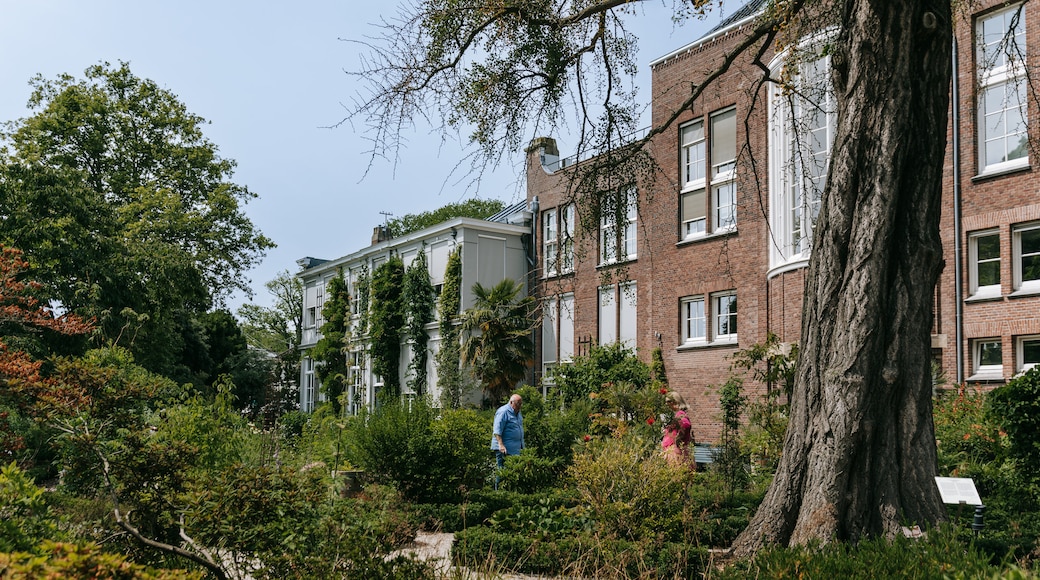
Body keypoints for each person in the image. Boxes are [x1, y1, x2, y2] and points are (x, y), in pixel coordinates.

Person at [490, 393, 524, 488]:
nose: (520, 406)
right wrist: (501, 445)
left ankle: (511, 492)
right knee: (502, 471)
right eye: (518, 404)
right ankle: (498, 492)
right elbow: (497, 430)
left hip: (515, 449)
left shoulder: (518, 413)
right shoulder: (503, 412)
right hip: (504, 449)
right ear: (511, 402)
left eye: (521, 404)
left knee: (514, 472)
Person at [661, 391, 694, 469]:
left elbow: (686, 425)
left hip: (676, 452)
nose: (667, 405)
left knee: (676, 473)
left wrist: (678, 438)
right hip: (676, 450)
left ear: (674, 402)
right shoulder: (678, 414)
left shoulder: (680, 414)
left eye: (668, 402)